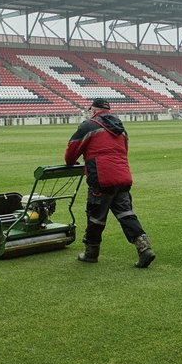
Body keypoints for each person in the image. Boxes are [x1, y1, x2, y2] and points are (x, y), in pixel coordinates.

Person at [64, 97, 155, 268]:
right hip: (123, 177)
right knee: (126, 214)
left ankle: (91, 253)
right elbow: (123, 152)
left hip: (101, 178)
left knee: (96, 217)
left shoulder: (88, 125)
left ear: (94, 110)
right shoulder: (121, 129)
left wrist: (70, 163)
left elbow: (73, 148)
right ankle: (144, 248)